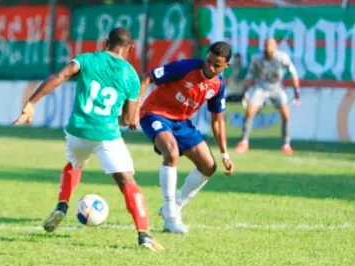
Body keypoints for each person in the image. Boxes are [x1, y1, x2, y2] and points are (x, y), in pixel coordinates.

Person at [13, 27, 163, 252]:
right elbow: (127, 119)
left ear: (106, 43)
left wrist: (31, 103)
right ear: (130, 48)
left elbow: (59, 76)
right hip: (106, 135)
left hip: (77, 133)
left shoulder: (85, 59)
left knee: (74, 164)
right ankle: (144, 235)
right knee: (127, 181)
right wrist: (130, 119)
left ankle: (62, 205)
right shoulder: (131, 75)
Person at [133, 41, 235, 234]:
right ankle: (171, 219)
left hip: (182, 123)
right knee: (171, 154)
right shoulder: (185, 67)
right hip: (155, 114)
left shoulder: (218, 85)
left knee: (208, 166)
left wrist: (225, 155)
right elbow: (148, 77)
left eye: (216, 65)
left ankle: (173, 206)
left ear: (226, 66)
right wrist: (136, 108)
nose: (210, 67)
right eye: (209, 61)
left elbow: (217, 122)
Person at [235, 38, 301, 155]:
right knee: (250, 111)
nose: (268, 48)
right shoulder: (257, 58)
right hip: (261, 87)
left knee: (286, 115)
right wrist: (245, 92)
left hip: (276, 87)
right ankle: (244, 142)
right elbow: (250, 75)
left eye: (270, 45)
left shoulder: (282, 57)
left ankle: (286, 144)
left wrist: (297, 92)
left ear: (275, 47)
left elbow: (293, 73)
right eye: (266, 45)